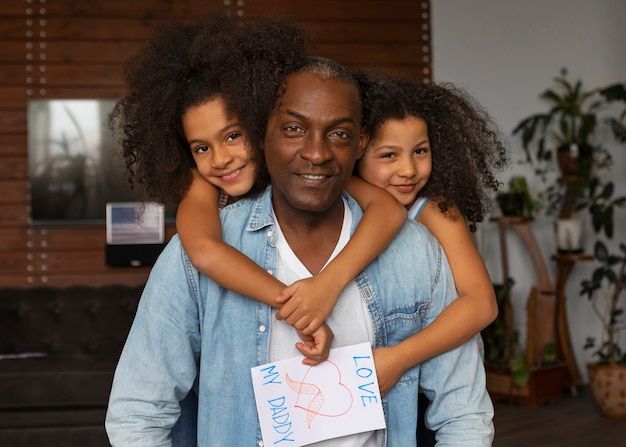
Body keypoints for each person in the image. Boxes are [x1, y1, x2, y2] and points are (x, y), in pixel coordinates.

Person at [106, 36, 494, 447]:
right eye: (294, 128)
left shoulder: (416, 252)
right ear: (263, 133)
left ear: (360, 142)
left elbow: (464, 415)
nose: (316, 153)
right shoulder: (191, 255)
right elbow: (138, 415)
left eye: (339, 134)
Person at [109, 13, 407, 366]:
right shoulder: (202, 186)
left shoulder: (308, 172)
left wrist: (329, 284)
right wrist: (294, 303)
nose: (220, 159)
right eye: (201, 148)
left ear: (260, 122)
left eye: (233, 136)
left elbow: (389, 211)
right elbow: (205, 251)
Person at [353, 70, 508, 445]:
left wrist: (399, 358)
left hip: (428, 391)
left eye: (420, 151)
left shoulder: (434, 211)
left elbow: (483, 304)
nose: (408, 169)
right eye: (389, 155)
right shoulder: (348, 206)